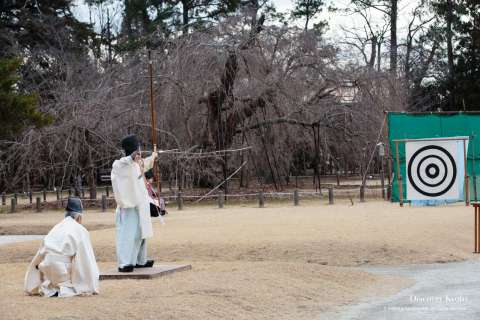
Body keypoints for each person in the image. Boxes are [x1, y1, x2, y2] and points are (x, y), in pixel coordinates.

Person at [24, 197, 99, 297]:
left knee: (53, 267)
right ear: (79, 217)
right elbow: (86, 259)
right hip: (61, 270)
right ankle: (64, 288)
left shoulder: (56, 228)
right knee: (76, 265)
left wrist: (32, 281)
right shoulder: (80, 230)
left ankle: (52, 288)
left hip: (46, 268)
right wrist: (91, 283)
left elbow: (41, 252)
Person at [111, 134, 156, 272]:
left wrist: (153, 156)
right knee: (127, 235)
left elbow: (145, 164)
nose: (139, 153)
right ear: (132, 150)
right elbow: (125, 162)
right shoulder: (119, 165)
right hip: (127, 206)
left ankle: (139, 260)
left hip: (139, 205)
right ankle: (124, 263)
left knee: (141, 234)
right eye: (137, 150)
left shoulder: (138, 163)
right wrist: (132, 157)